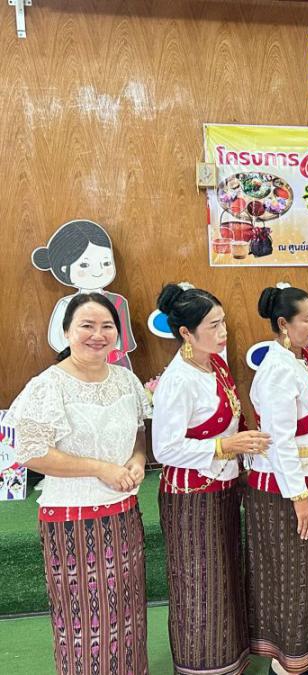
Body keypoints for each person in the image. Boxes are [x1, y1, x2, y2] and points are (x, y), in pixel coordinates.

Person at [5, 293, 150, 674]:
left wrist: (137, 461)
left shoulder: (126, 379)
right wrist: (100, 468)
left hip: (124, 514)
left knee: (128, 615)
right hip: (72, 520)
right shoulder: (48, 385)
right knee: (85, 623)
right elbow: (31, 453)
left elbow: (138, 432)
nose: (97, 335)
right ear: (66, 331)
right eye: (87, 326)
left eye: (107, 327)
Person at [152, 282, 270, 675]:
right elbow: (165, 449)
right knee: (199, 586)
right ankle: (200, 667)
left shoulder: (214, 363)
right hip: (192, 499)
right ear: (186, 333)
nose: (223, 333)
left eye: (223, 323)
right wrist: (225, 446)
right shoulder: (178, 380)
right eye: (213, 326)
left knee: (225, 579)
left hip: (223, 487)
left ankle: (229, 661)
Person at [247, 283, 308, 675]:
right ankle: (285, 665)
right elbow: (280, 441)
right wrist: (299, 498)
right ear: (283, 324)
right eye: (307, 319)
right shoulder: (278, 370)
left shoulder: (305, 360)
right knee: (292, 578)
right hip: (287, 492)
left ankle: (304, 655)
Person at [32, 219, 137, 368]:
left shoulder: (118, 302)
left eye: (106, 263)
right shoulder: (65, 305)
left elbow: (124, 340)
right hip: (78, 364)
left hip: (115, 364)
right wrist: (80, 353)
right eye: (84, 264)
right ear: (64, 269)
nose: (97, 271)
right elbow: (57, 338)